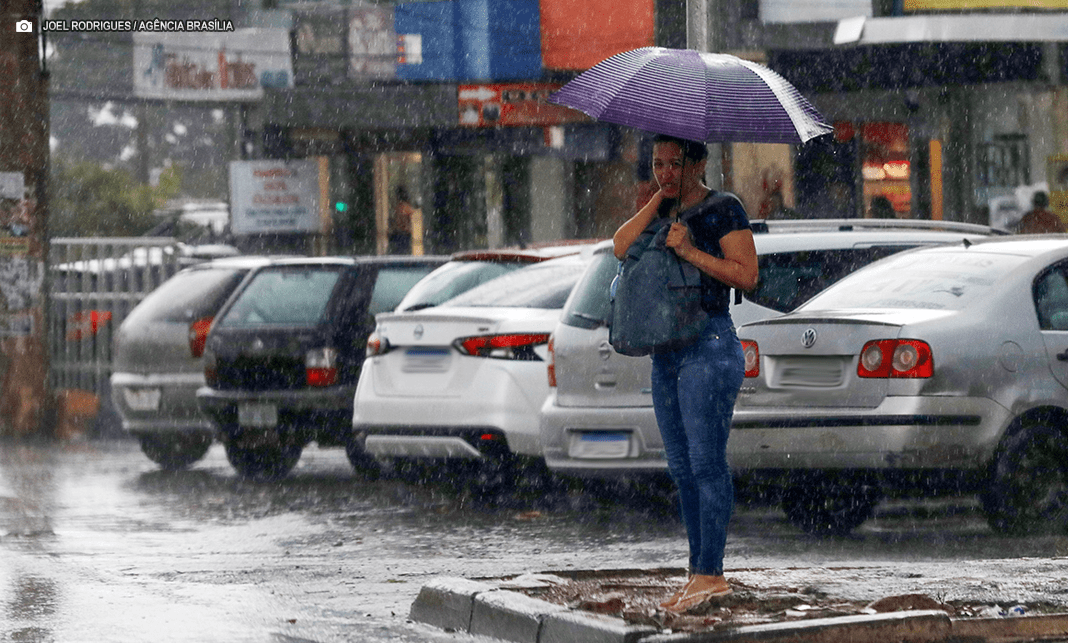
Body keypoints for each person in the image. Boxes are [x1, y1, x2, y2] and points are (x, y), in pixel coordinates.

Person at [612, 134, 758, 615]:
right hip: (667, 349)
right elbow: (620, 246)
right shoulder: (661, 206)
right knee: (679, 468)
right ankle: (697, 573)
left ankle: (711, 574)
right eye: (658, 164)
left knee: (705, 462)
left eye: (675, 164)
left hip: (709, 344)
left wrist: (691, 251)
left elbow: (746, 275)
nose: (666, 172)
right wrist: (660, 198)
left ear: (699, 162)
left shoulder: (724, 208)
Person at [389, 185, 417, 254]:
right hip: (404, 234)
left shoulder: (400, 207)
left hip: (400, 234)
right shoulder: (407, 207)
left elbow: (399, 221)